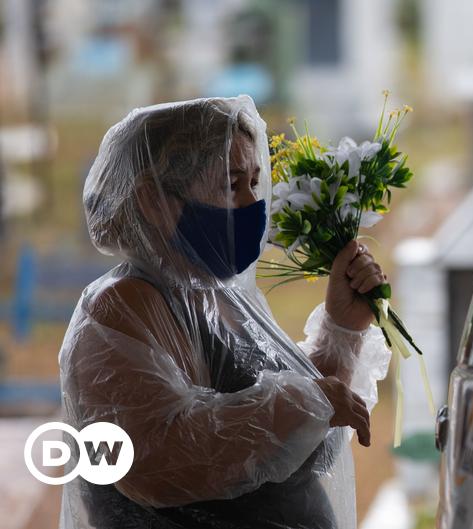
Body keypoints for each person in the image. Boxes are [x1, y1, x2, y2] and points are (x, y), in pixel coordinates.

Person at [57, 96, 392, 529]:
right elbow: (158, 464)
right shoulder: (121, 308)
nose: (253, 203)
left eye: (255, 182)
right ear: (153, 200)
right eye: (232, 185)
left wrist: (342, 328)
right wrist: (308, 404)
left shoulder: (219, 296)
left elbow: (298, 445)